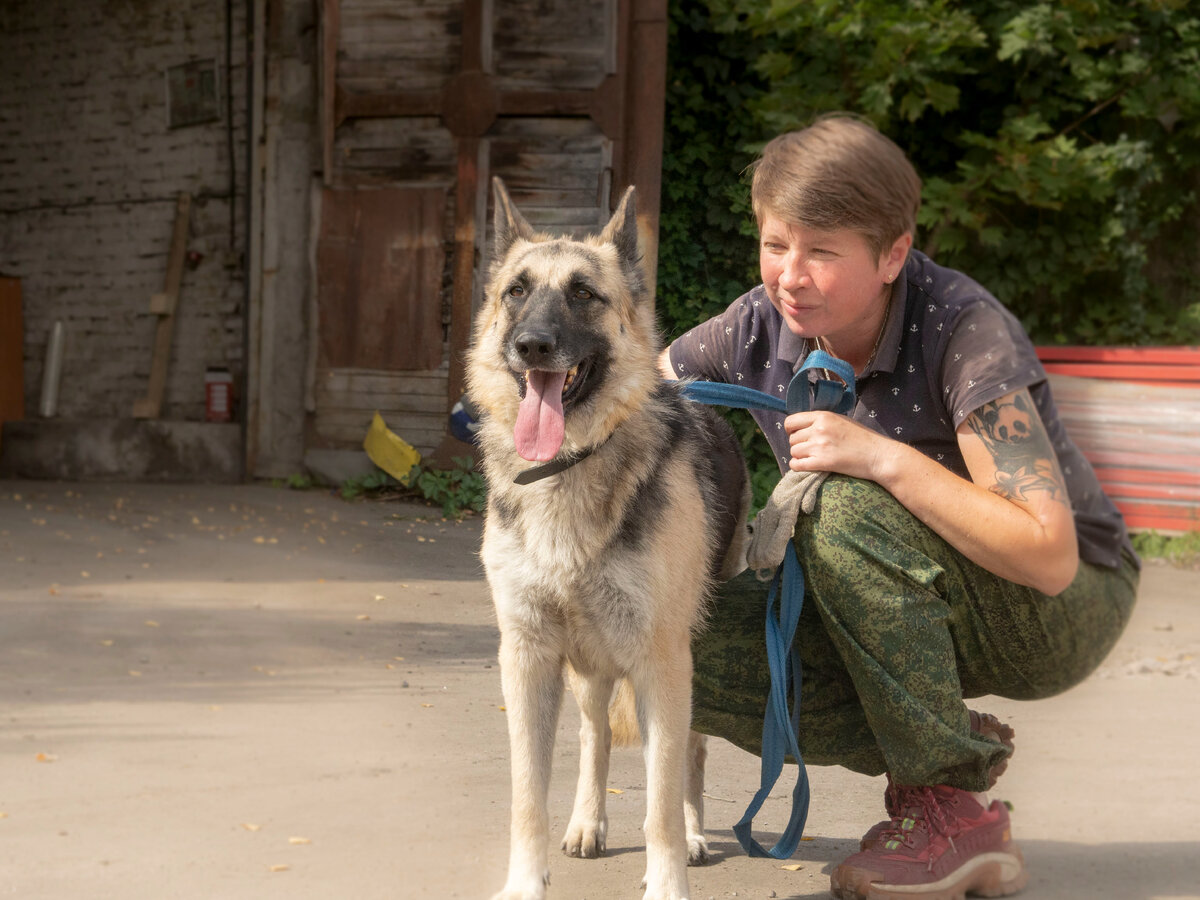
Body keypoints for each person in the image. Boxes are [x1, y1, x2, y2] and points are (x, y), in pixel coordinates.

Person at [660, 114, 1139, 900]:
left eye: (821, 251)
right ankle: (945, 740)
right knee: (670, 644)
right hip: (892, 605)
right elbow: (631, 403)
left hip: (1060, 604)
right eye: (777, 243)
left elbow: (1049, 557)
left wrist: (881, 455)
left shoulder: (963, 328)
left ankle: (943, 806)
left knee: (843, 505)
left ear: (892, 254)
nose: (791, 275)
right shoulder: (754, 326)